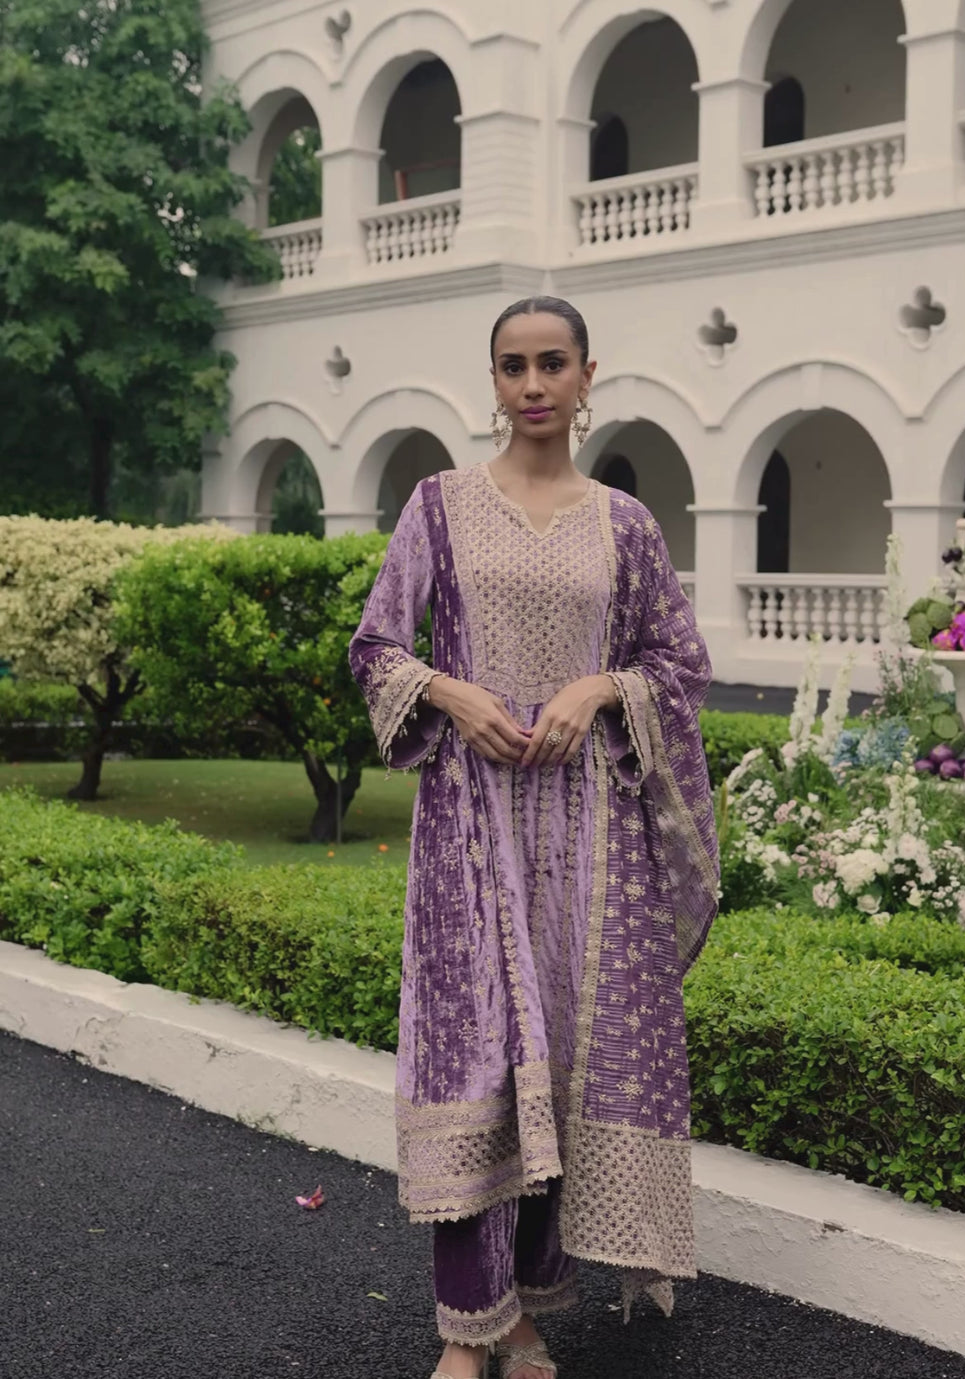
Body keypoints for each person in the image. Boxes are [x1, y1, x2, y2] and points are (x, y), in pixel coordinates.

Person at [349, 296, 719, 1379]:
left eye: (552, 363)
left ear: (586, 374)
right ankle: (468, 1326)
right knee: (475, 1057)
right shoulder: (439, 505)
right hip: (471, 828)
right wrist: (451, 692)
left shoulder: (625, 524)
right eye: (513, 366)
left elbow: (678, 664)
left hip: (593, 837)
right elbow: (376, 646)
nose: (533, 384)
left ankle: (519, 1311)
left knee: (560, 1056)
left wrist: (600, 687)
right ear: (495, 380)